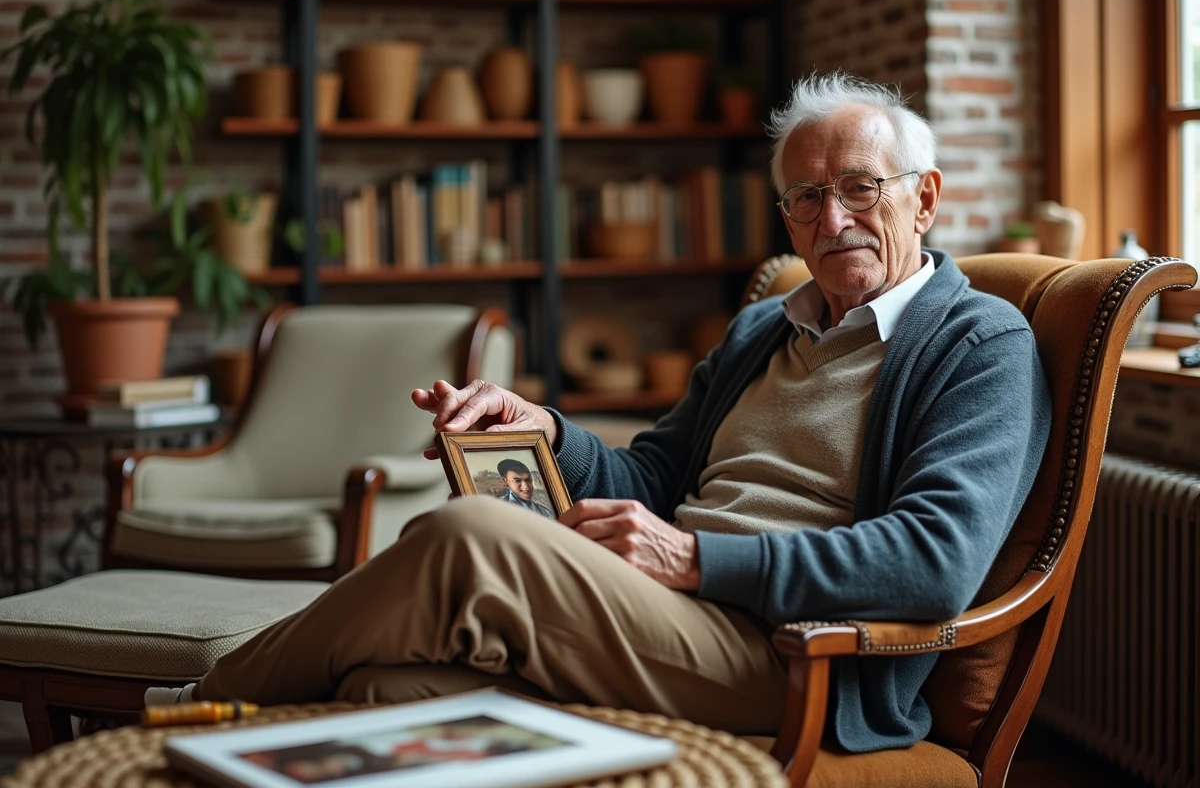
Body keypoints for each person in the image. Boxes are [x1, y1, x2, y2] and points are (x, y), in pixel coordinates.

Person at [150, 73, 1050, 755]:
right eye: (806, 198)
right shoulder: (758, 331)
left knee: (467, 537)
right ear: (786, 217)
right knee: (389, 686)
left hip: (796, 659)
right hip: (668, 611)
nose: (833, 218)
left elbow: (933, 564)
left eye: (861, 188)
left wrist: (695, 557)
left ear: (923, 197)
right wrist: (544, 429)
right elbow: (652, 477)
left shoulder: (979, 343)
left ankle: (190, 708)